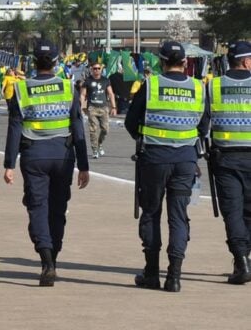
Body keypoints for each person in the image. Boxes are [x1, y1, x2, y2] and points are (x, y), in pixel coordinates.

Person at [3, 40, 90, 286]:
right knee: (58, 209)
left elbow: (14, 128)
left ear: (34, 61)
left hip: (33, 156)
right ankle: (53, 257)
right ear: (55, 62)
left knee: (37, 207)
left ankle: (46, 259)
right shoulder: (67, 87)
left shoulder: (21, 89)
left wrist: (9, 164)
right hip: (63, 155)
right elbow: (78, 127)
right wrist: (84, 166)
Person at [124, 40, 208, 292]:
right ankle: (174, 276)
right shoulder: (198, 87)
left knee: (151, 213)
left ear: (160, 62)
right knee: (179, 216)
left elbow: (130, 122)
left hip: (154, 159)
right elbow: (204, 127)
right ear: (184, 62)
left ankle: (151, 273)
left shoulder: (150, 85)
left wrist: (146, 138)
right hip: (185, 160)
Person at [208, 40, 251, 284]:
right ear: (246, 61)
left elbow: (203, 123)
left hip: (226, 158)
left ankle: (241, 260)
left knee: (232, 213)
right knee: (249, 213)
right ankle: (243, 259)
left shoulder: (213, 86)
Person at [81, 62, 117, 159]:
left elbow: (111, 94)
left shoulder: (106, 80)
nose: (96, 70)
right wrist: (82, 106)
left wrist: (113, 107)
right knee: (93, 129)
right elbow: (83, 94)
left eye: (98, 68)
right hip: (92, 107)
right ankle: (94, 150)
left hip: (104, 107)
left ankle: (99, 143)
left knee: (105, 129)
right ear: (91, 70)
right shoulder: (88, 81)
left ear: (101, 69)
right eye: (94, 68)